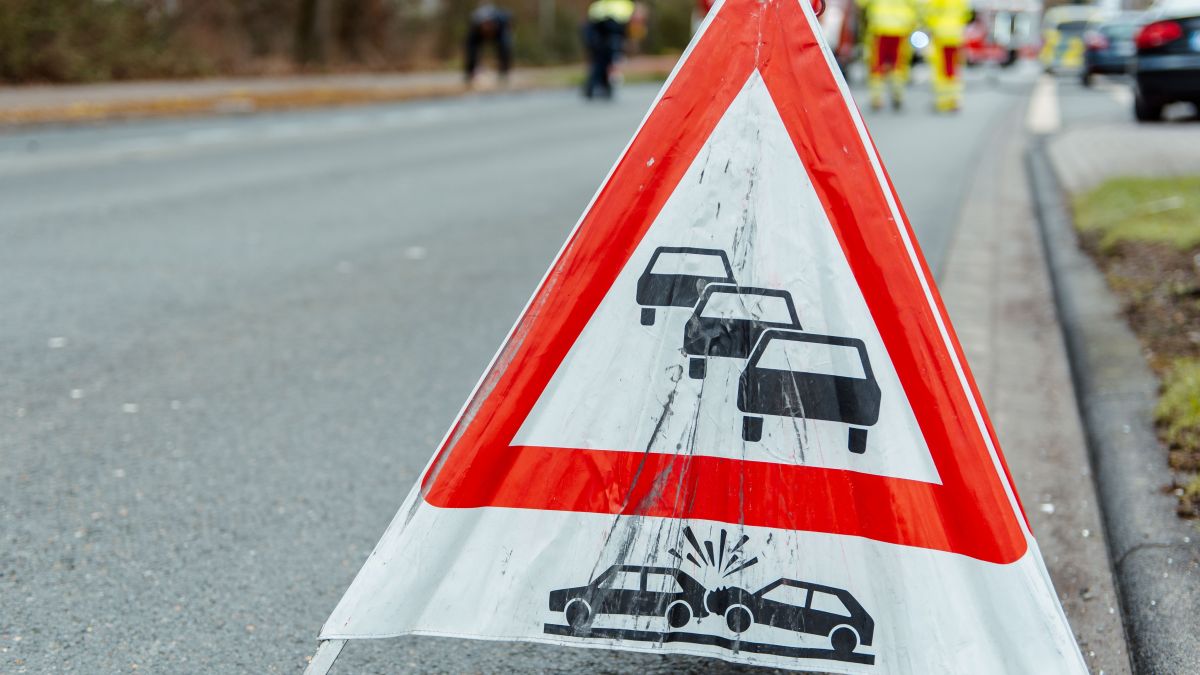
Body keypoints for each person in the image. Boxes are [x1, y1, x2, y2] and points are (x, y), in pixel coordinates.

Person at [856, 0, 917, 110]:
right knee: (898, 64)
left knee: (877, 64)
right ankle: (897, 93)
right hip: (901, 27)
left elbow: (861, 3)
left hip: (880, 26)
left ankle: (877, 97)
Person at [922, 0, 970, 112]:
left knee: (942, 69)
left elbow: (928, 14)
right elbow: (966, 15)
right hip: (955, 35)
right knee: (952, 68)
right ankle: (954, 99)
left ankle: (943, 101)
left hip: (941, 35)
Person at [583, 0, 636, 99]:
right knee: (605, 62)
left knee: (602, 62)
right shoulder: (625, 5)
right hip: (608, 36)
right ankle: (597, 86)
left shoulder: (599, 5)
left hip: (601, 37)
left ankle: (599, 87)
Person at [465, 3, 513, 87]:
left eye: (489, 24)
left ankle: (504, 73)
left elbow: (511, 21)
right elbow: (469, 45)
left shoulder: (502, 19)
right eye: (485, 25)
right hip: (478, 34)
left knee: (505, 46)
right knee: (471, 50)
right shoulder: (475, 24)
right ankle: (470, 74)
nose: (488, 28)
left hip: (498, 33)